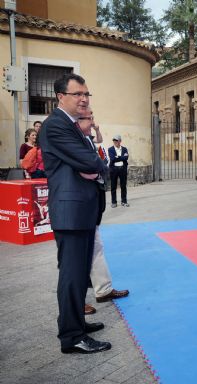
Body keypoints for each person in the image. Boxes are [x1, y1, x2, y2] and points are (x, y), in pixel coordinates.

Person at [39, 73, 110, 354]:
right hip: (71, 213)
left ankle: (77, 322)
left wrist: (92, 166)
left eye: (86, 94)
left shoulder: (72, 127)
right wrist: (92, 166)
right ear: (61, 97)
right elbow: (91, 160)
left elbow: (93, 161)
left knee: (80, 274)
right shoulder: (57, 126)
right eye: (77, 94)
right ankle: (71, 336)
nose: (83, 99)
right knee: (71, 275)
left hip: (81, 211)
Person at [77, 109, 129, 315]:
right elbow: (92, 164)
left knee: (96, 246)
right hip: (79, 203)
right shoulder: (74, 139)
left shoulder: (88, 138)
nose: (93, 122)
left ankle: (103, 289)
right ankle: (76, 301)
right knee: (78, 254)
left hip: (94, 198)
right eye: (89, 118)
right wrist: (101, 166)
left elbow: (99, 153)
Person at [108, 135, 129, 208]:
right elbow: (112, 159)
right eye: (114, 141)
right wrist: (121, 158)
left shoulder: (124, 149)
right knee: (113, 186)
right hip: (114, 170)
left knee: (123, 186)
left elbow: (126, 157)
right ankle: (114, 202)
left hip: (122, 169)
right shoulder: (110, 149)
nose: (115, 142)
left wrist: (118, 157)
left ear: (120, 141)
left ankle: (124, 201)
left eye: (116, 141)